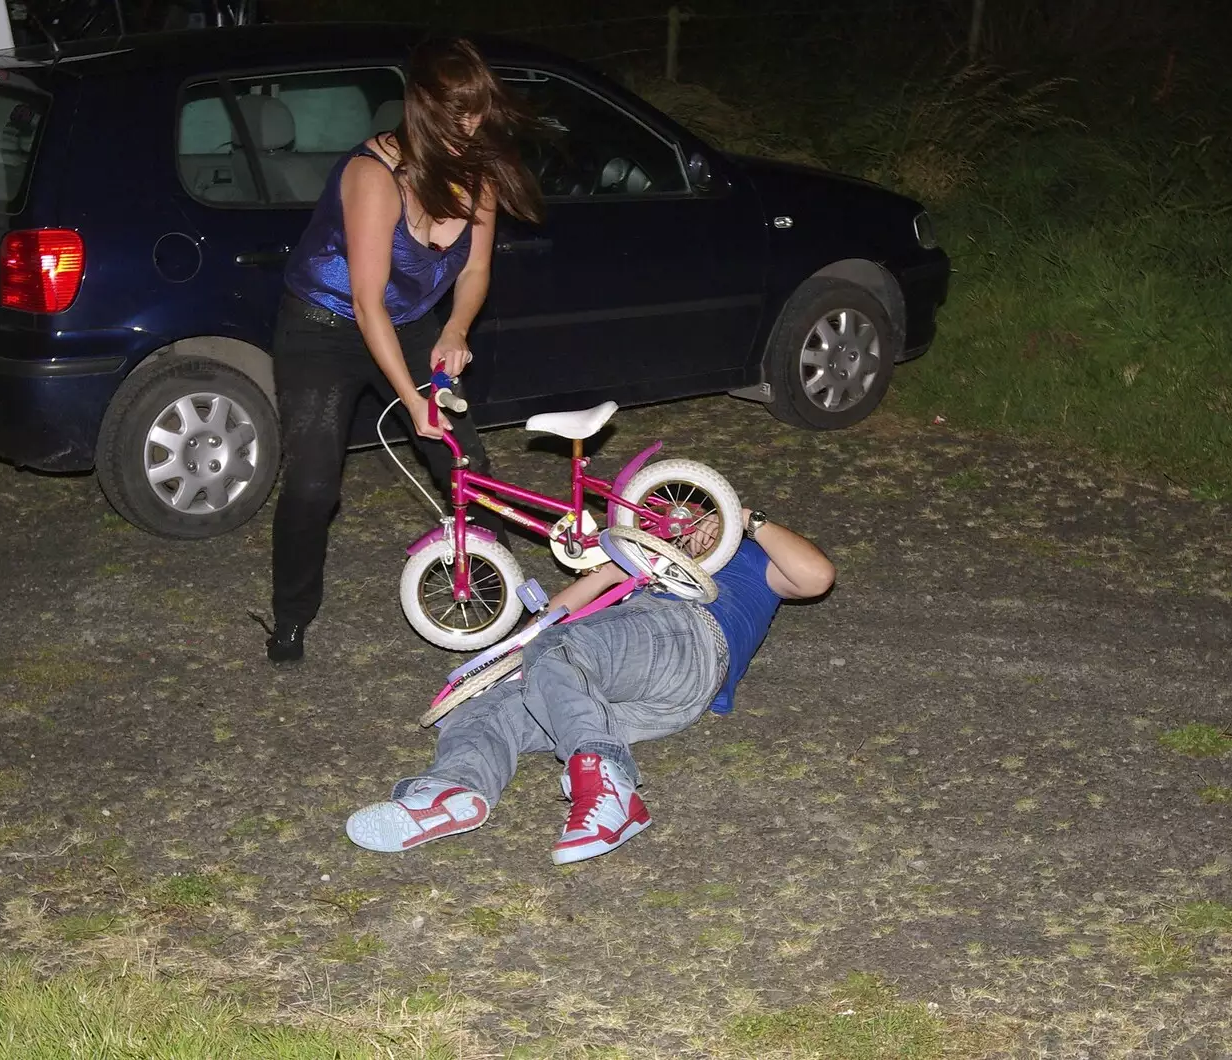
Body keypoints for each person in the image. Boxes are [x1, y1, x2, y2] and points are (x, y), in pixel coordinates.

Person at [265, 37, 545, 663]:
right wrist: (411, 398)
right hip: (322, 328)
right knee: (313, 485)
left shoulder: (478, 177)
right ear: (418, 107)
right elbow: (366, 302)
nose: (466, 130)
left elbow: (472, 274)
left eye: (474, 113)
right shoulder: (374, 176)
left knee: (467, 466)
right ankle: (290, 616)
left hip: (414, 323)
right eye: (452, 115)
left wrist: (455, 331)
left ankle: (504, 605)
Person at [344, 508, 836, 864]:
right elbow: (553, 620)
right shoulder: (644, 571)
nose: (691, 528)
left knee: (558, 651)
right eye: (679, 523)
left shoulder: (750, 559)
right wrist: (612, 568)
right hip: (651, 696)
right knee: (488, 706)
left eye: (702, 516)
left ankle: (606, 781)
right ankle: (452, 791)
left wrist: (749, 519)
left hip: (688, 636)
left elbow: (817, 577)